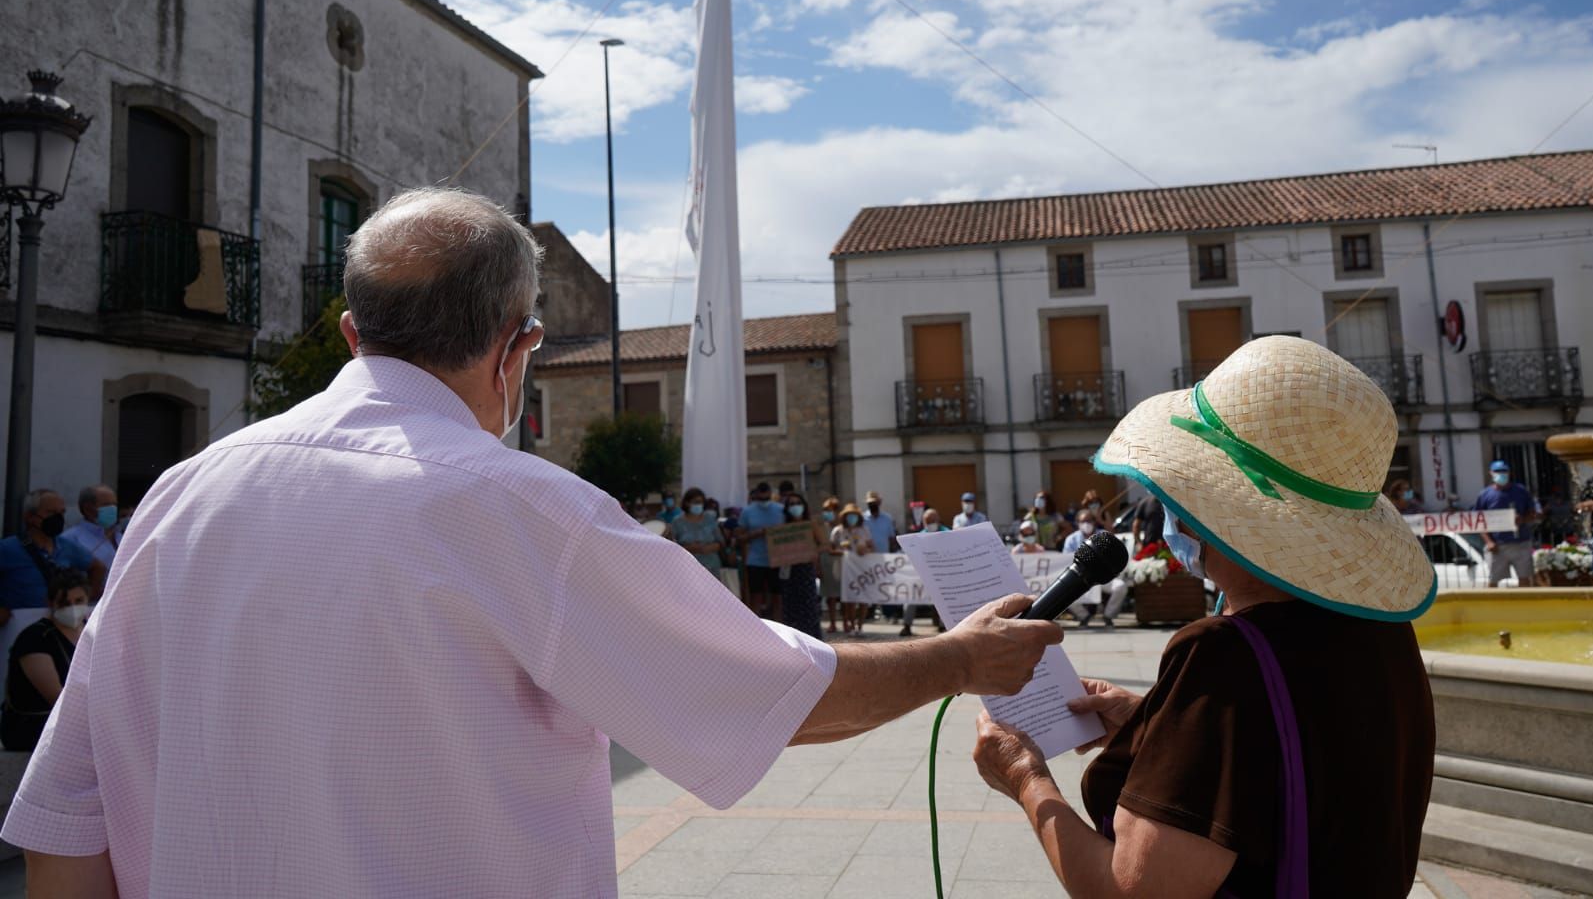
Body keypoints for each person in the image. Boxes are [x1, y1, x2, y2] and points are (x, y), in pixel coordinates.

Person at [2, 188, 1065, 898]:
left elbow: (66, 816)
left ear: (350, 331)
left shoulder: (179, 497)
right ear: (519, 347)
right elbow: (773, 694)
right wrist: (961, 658)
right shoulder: (525, 511)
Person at [973, 336, 1436, 897]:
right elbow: (1303, 753)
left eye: (1180, 496)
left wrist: (1025, 778)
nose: (1174, 516)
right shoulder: (1384, 629)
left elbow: (1131, 890)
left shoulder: (1223, 655)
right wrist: (1159, 722)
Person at [1, 570, 90, 753]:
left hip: (79, 723)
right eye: (64, 603)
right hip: (34, 728)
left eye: (78, 601)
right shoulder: (35, 639)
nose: (72, 608)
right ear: (51, 604)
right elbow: (57, 698)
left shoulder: (92, 633)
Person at [0, 491, 105, 625]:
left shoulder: (66, 546)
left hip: (60, 624)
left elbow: (97, 567)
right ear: (30, 517)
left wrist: (85, 599)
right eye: (51, 513)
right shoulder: (7, 549)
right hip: (18, 626)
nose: (58, 518)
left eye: (62, 513)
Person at [1471, 459, 1538, 587]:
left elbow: (1533, 513)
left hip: (1521, 543)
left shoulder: (1521, 491)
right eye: (1497, 471)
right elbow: (1478, 521)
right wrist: (1489, 542)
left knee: (1525, 579)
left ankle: (1525, 605)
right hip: (1497, 546)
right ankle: (1491, 606)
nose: (1501, 474)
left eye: (1504, 471)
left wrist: (1522, 519)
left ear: (1509, 473)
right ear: (1491, 473)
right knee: (1493, 581)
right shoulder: (1485, 495)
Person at [1060, 512, 1128, 628]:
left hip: (1103, 577)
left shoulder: (1103, 536)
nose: (1086, 524)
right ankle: (1083, 616)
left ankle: (1108, 616)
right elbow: (1066, 560)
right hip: (1081, 578)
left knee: (1120, 586)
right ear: (1078, 523)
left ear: (1094, 522)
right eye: (1083, 521)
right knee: (1064, 593)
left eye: (1089, 521)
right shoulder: (1071, 539)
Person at [779, 493, 827, 640]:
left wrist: (812, 552)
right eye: (791, 504)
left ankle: (812, 641)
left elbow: (825, 544)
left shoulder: (811, 524)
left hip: (805, 571)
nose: (795, 507)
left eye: (798, 503)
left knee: (808, 607)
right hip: (788, 571)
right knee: (790, 607)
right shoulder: (783, 527)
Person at [738, 481, 787, 620]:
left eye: (766, 497)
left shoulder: (781, 509)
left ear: (771, 494)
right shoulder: (747, 511)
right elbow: (740, 537)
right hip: (756, 560)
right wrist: (757, 533)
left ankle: (780, 627)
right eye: (761, 497)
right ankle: (756, 628)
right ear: (757, 494)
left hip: (777, 560)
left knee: (778, 597)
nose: (764, 500)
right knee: (756, 596)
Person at [58, 485, 121, 587]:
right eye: (106, 505)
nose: (113, 509)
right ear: (87, 508)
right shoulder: (71, 539)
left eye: (115, 504)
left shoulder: (121, 536)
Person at [900, 508, 947, 637]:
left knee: (945, 599)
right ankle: (907, 625)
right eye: (927, 521)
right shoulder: (919, 536)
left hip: (941, 575)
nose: (931, 523)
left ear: (938, 520)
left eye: (932, 520)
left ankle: (944, 626)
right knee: (912, 597)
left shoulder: (947, 533)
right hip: (922, 576)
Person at [832, 503, 874, 636]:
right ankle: (850, 625)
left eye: (854, 515)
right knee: (849, 599)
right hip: (845, 569)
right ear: (844, 517)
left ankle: (860, 626)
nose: (852, 518)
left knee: (863, 598)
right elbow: (830, 549)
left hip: (862, 569)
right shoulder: (838, 531)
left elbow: (872, 548)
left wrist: (866, 550)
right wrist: (841, 552)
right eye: (849, 515)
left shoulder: (864, 530)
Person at [862, 490, 900, 625]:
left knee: (885, 586)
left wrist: (892, 556)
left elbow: (891, 538)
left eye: (874, 503)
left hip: (884, 558)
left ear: (879, 503)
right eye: (870, 503)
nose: (872, 505)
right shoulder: (862, 519)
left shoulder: (887, 518)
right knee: (869, 586)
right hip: (867, 559)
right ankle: (868, 614)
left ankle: (889, 613)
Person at [668, 488, 723, 575]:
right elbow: (672, 547)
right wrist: (691, 548)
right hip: (687, 569)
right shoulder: (677, 522)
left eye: (701, 502)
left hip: (711, 568)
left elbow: (720, 542)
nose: (699, 505)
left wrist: (709, 547)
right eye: (696, 502)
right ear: (687, 503)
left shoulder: (710, 519)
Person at [818, 497, 845, 633]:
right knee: (830, 596)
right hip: (826, 563)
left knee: (844, 595)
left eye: (829, 510)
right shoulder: (821, 526)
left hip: (842, 562)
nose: (826, 513)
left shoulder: (842, 527)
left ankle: (847, 622)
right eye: (825, 510)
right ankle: (833, 622)